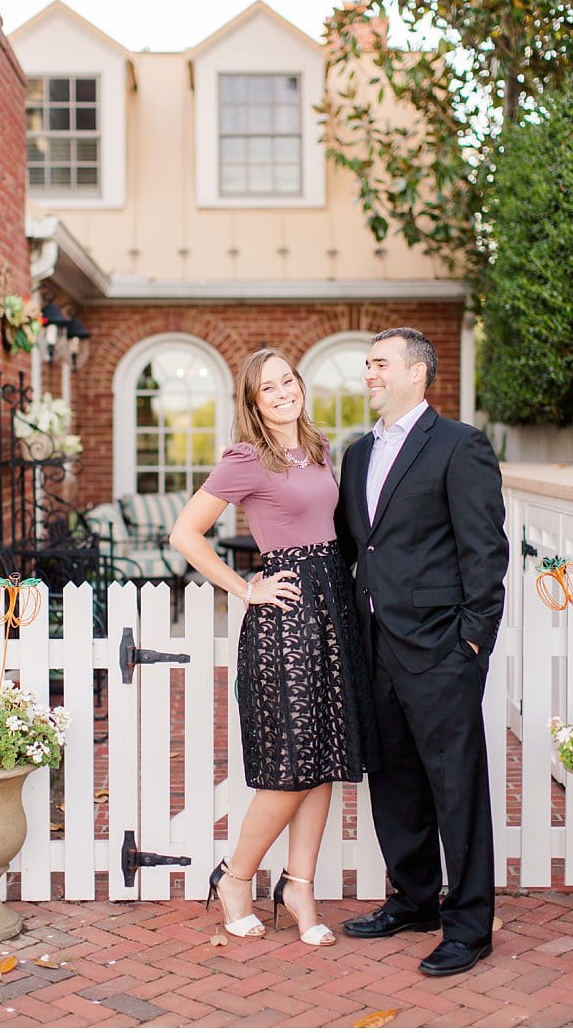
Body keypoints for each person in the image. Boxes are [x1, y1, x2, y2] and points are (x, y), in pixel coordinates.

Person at [170, 347, 375, 947]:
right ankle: (236, 879)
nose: (283, 391)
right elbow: (186, 533)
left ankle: (299, 886)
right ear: (253, 401)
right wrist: (243, 587)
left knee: (327, 757)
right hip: (285, 613)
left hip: (334, 601)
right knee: (289, 765)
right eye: (269, 387)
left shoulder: (318, 448)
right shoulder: (245, 458)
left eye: (288, 379)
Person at [334, 327, 508, 978]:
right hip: (375, 642)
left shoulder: (459, 446)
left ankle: (468, 924)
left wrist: (472, 640)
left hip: (441, 646)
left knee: (454, 784)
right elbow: (355, 549)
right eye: (367, 365)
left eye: (380, 363)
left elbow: (486, 552)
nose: (369, 374)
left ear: (417, 373)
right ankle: (412, 900)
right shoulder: (356, 455)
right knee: (396, 779)